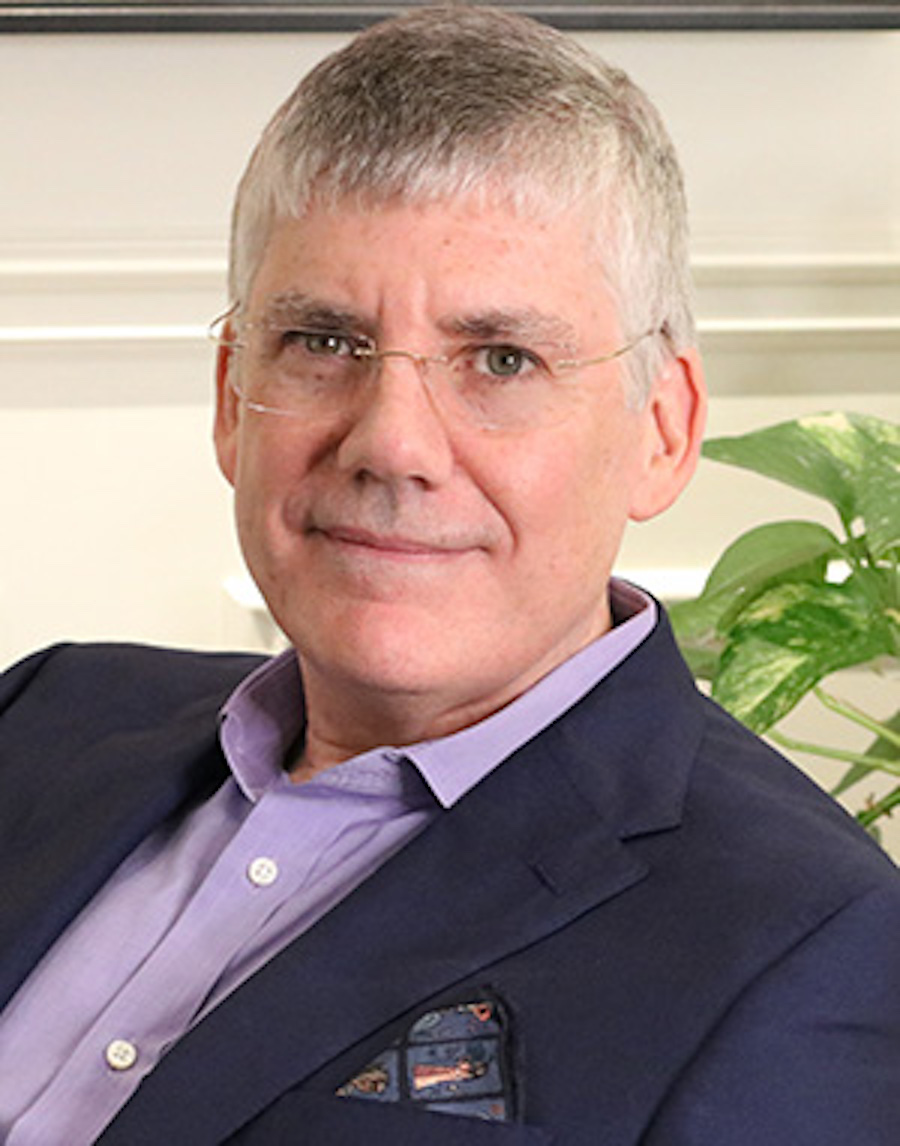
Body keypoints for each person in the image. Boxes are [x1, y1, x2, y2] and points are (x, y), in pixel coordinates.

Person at [0, 5, 897, 1144]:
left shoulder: (803, 951)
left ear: (660, 431)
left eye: (502, 359)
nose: (393, 444)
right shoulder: (41, 716)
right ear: (233, 397)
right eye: (325, 342)